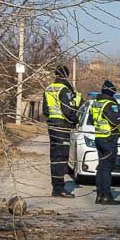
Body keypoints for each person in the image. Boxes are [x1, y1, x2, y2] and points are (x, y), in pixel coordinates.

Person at [44, 65, 80, 198]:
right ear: (66, 75)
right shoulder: (64, 90)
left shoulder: (48, 88)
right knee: (61, 157)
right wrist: (75, 120)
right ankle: (59, 189)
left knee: (54, 157)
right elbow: (67, 111)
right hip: (62, 126)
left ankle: (56, 186)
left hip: (52, 125)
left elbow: (45, 110)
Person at [90, 80, 120, 205]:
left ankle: (99, 195)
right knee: (106, 168)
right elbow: (116, 120)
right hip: (109, 138)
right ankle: (106, 196)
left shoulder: (96, 103)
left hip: (99, 137)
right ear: (112, 91)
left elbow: (91, 119)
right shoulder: (110, 104)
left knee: (101, 167)